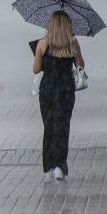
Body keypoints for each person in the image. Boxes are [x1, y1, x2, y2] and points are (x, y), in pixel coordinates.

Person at [32, 11, 84, 181]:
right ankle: (60, 167)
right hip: (66, 90)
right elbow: (80, 66)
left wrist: (39, 53)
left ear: (50, 25)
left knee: (49, 127)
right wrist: (76, 51)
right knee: (63, 127)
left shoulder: (42, 43)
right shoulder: (73, 44)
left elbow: (36, 69)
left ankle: (49, 166)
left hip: (48, 89)